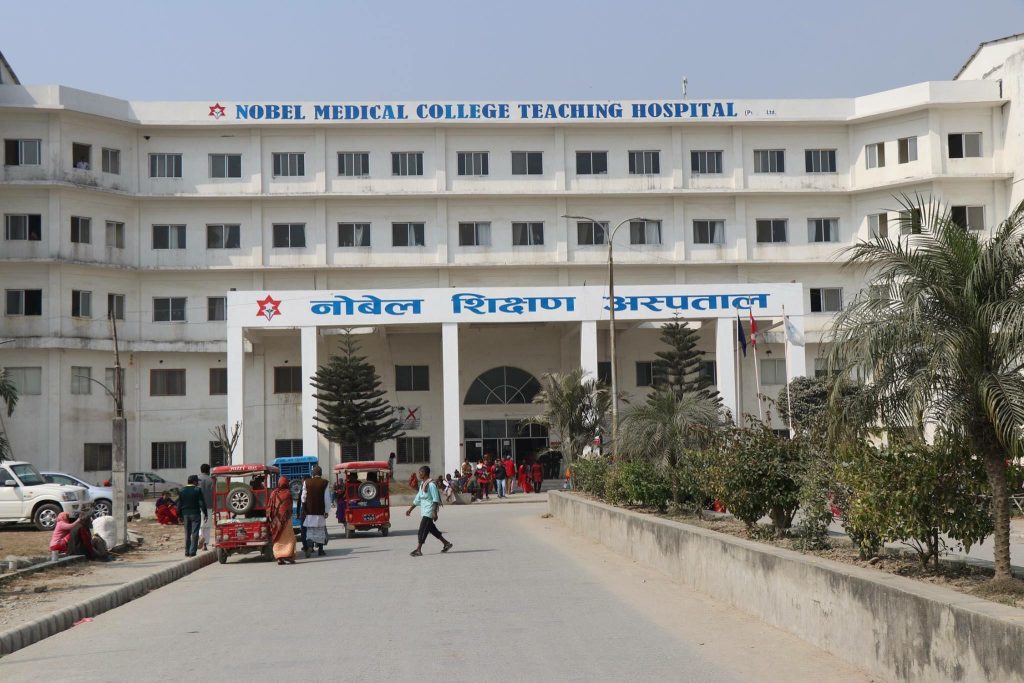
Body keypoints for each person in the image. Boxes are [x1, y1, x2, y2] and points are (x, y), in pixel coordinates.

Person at [405, 465, 452, 557]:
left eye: (421, 472)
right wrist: (410, 509)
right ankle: (446, 543)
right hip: (425, 511)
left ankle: (418, 549)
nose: (419, 474)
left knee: (422, 530)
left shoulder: (431, 485)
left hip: (429, 512)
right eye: (419, 472)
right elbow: (418, 499)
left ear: (426, 473)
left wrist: (434, 512)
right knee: (432, 529)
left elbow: (435, 499)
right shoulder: (422, 484)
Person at [301, 465, 332, 558]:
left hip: (309, 512)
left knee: (310, 531)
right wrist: (326, 511)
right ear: (321, 473)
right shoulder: (325, 482)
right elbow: (327, 498)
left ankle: (310, 547)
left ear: (313, 473)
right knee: (320, 530)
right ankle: (320, 550)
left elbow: (303, 497)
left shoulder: (306, 482)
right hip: (320, 512)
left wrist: (304, 509)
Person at [176, 475, 207, 557]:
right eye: (197, 481)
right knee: (195, 532)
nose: (198, 483)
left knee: (187, 533)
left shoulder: (182, 490)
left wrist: (178, 515)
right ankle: (192, 551)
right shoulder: (197, 490)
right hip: (195, 514)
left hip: (185, 514)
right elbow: (201, 503)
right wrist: (205, 513)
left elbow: (179, 504)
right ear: (194, 481)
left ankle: (187, 551)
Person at [269, 476, 297, 565]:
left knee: (277, 538)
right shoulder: (288, 493)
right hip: (286, 521)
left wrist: (271, 517)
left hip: (276, 520)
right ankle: (288, 555)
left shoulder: (274, 493)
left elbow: (270, 507)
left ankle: (279, 557)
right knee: (290, 538)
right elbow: (290, 507)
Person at [197, 463, 214, 551]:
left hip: (198, 506)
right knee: (207, 526)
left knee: (199, 524)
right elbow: (214, 493)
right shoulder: (211, 480)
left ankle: (200, 536)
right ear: (208, 470)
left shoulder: (196, 479)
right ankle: (205, 545)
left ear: (201, 470)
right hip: (209, 505)